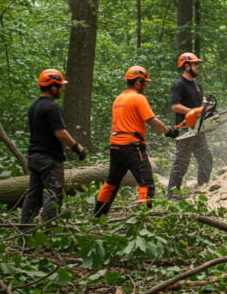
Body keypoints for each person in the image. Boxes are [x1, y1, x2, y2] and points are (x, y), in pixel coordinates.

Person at [93, 66, 181, 217]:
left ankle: (97, 216)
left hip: (115, 147)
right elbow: (152, 121)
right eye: (145, 83)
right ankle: (144, 218)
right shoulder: (138, 98)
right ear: (138, 83)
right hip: (132, 147)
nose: (146, 86)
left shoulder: (118, 99)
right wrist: (168, 132)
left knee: (111, 183)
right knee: (146, 183)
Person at [20, 69, 86, 231]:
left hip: (34, 157)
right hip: (49, 159)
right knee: (53, 194)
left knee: (33, 195)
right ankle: (53, 232)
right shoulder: (52, 107)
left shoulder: (33, 106)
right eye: (60, 87)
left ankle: (24, 230)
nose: (62, 90)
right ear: (53, 88)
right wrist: (77, 147)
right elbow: (60, 133)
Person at [167, 52, 214, 198]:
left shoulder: (197, 84)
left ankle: (203, 187)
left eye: (197, 64)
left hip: (198, 129)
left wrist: (204, 108)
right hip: (185, 129)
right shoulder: (179, 84)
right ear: (186, 66)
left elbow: (200, 103)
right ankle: (173, 192)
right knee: (182, 162)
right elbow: (175, 106)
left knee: (206, 158)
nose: (198, 66)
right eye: (195, 64)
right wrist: (192, 112)